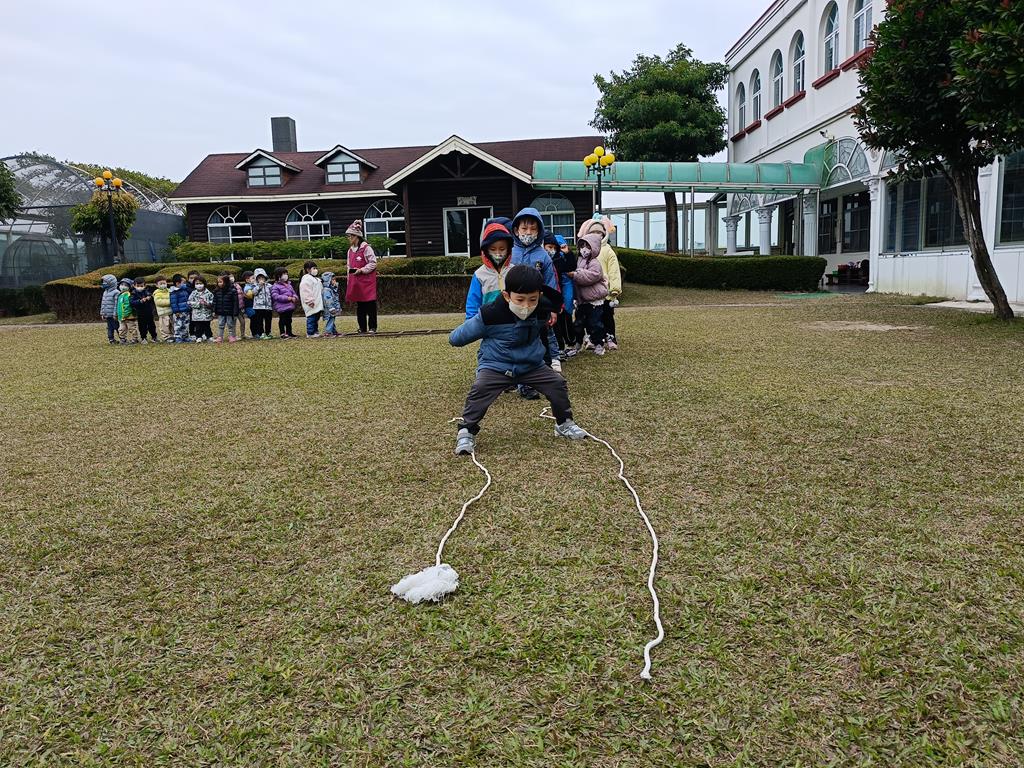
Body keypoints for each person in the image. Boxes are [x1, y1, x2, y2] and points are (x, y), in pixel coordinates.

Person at [450, 264, 588, 455]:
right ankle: (466, 431)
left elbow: (547, 327)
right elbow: (456, 338)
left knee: (557, 383)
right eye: (520, 300)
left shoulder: (542, 309)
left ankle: (564, 423)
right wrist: (459, 335)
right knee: (480, 389)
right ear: (507, 296)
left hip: (532, 365)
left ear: (539, 295)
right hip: (496, 365)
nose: (526, 306)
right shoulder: (490, 314)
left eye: (532, 300)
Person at [510, 207, 561, 389]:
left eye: (533, 229)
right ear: (516, 230)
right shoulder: (510, 253)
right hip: (512, 307)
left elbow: (550, 283)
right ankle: (510, 375)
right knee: (513, 339)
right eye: (524, 228)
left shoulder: (543, 256)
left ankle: (536, 373)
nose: (528, 232)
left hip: (536, 308)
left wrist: (553, 309)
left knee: (536, 339)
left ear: (539, 231)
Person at [579, 217, 623, 350]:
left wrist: (615, 288)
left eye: (599, 233)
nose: (597, 235)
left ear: (604, 234)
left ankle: (610, 336)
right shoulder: (586, 252)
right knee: (592, 317)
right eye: (593, 233)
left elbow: (614, 270)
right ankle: (593, 338)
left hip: (606, 291)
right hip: (591, 292)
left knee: (607, 315)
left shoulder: (608, 251)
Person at [465, 221, 514, 320]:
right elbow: (473, 304)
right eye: (493, 249)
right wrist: (470, 323)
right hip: (488, 323)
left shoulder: (514, 271)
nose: (497, 253)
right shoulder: (479, 275)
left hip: (511, 322)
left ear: (508, 249)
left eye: (502, 249)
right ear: (485, 250)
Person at [572, 232, 609, 356]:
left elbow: (592, 276)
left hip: (594, 300)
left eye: (588, 247)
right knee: (578, 323)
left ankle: (599, 344)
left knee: (595, 324)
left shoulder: (594, 262)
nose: (584, 249)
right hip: (582, 300)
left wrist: (576, 274)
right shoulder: (579, 260)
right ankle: (578, 342)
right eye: (582, 246)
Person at [344, 219, 378, 333]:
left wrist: (362, 270)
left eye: (350, 236)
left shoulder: (366, 248)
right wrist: (349, 280)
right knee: (360, 306)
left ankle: (372, 327)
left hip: (367, 282)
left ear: (356, 236)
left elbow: (373, 263)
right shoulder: (350, 251)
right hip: (356, 282)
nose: (349, 238)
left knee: (370, 305)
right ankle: (362, 328)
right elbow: (348, 266)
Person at [550, 234, 578, 358]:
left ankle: (571, 343)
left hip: (565, 291)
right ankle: (561, 346)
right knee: (557, 321)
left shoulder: (562, 257)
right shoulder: (549, 258)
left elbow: (571, 267)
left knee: (566, 317)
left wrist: (568, 253)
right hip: (556, 292)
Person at [271, 267, 299, 339]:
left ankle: (289, 332)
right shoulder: (275, 286)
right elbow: (275, 296)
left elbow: (294, 293)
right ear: (278, 276)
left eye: (286, 274)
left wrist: (295, 298)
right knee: (282, 320)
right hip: (281, 307)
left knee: (289, 320)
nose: (286, 275)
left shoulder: (289, 285)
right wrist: (287, 298)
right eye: (283, 274)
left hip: (290, 306)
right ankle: (282, 333)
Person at [299, 260, 324, 338]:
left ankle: (315, 331)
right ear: (308, 269)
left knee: (316, 318)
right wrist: (309, 301)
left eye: (316, 268)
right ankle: (310, 332)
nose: (316, 270)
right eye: (314, 268)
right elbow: (305, 291)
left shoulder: (316, 279)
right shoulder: (306, 279)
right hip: (311, 303)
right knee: (311, 317)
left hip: (317, 302)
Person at [212, 272, 239, 342]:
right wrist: (214, 310)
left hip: (230, 312)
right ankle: (220, 337)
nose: (219, 283)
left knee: (230, 325)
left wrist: (235, 313)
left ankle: (232, 336)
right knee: (220, 325)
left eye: (220, 282)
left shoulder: (233, 291)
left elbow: (236, 303)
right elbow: (214, 302)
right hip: (221, 312)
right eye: (218, 282)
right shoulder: (216, 291)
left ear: (226, 282)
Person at [130, 277, 158, 344]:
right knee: (142, 326)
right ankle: (143, 338)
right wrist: (140, 301)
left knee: (152, 325)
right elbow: (132, 302)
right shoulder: (133, 293)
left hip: (149, 312)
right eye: (138, 286)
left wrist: (150, 298)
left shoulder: (147, 291)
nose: (140, 287)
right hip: (140, 313)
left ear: (145, 286)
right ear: (134, 286)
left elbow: (152, 298)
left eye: (141, 286)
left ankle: (154, 337)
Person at [188, 277, 214, 342]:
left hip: (206, 314)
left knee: (207, 326)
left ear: (204, 284)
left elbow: (213, 301)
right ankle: (198, 337)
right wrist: (198, 303)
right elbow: (189, 302)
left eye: (201, 283)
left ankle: (209, 336)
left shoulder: (209, 293)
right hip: (197, 314)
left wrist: (207, 303)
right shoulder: (193, 293)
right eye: (197, 284)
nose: (199, 285)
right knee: (198, 326)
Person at [250, 268, 274, 339]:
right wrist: (259, 286)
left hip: (268, 306)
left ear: (265, 277)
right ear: (256, 279)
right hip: (258, 307)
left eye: (262, 277)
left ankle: (268, 333)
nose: (261, 279)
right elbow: (254, 293)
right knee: (259, 321)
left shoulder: (269, 286)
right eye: (259, 278)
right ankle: (261, 333)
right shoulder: (254, 286)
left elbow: (272, 293)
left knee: (268, 320)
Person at [169, 273, 192, 343]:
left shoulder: (185, 290)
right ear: (177, 283)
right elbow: (173, 303)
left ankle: (185, 337)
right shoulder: (174, 292)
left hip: (186, 311)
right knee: (178, 325)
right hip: (179, 312)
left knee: (186, 324)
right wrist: (176, 311)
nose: (185, 284)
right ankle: (178, 337)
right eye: (183, 283)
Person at [116, 278, 138, 344]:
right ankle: (122, 339)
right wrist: (118, 314)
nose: (123, 286)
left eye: (125, 285)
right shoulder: (120, 295)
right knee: (122, 328)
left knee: (132, 328)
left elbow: (127, 305)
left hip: (129, 316)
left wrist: (125, 314)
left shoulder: (128, 295)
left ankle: (134, 339)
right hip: (121, 317)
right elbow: (119, 306)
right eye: (122, 284)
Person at [99, 274, 119, 344]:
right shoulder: (105, 292)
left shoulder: (116, 292)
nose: (103, 284)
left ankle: (122, 338)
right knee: (109, 327)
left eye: (105, 282)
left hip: (114, 315)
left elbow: (116, 304)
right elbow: (103, 303)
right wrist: (102, 313)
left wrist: (115, 314)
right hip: (108, 315)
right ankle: (111, 339)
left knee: (117, 326)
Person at [153, 277, 173, 343]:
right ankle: (167, 337)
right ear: (157, 285)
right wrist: (170, 302)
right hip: (163, 313)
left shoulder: (170, 291)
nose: (163, 285)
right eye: (161, 284)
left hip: (171, 312)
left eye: (164, 283)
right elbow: (158, 302)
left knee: (172, 325)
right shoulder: (157, 293)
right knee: (164, 326)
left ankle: (173, 335)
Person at [322, 271, 342, 336]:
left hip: (332, 307)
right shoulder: (326, 290)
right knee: (331, 319)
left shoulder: (331, 289)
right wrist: (331, 308)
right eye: (333, 280)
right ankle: (328, 332)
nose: (334, 281)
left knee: (332, 319)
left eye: (335, 280)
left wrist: (335, 286)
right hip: (330, 308)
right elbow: (328, 300)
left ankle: (333, 331)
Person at [239, 271, 255, 340]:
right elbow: (250, 295)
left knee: (256, 320)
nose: (254, 279)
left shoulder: (253, 286)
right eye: (253, 278)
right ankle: (254, 333)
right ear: (247, 280)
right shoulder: (247, 287)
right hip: (249, 306)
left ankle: (257, 333)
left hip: (253, 306)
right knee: (253, 319)